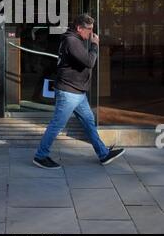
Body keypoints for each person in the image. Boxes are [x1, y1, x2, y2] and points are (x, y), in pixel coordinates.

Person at [33, 13, 125, 169]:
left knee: (89, 123)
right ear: (79, 28)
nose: (91, 33)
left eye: (92, 29)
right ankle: (41, 156)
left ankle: (103, 154)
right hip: (69, 92)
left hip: (78, 92)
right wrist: (95, 45)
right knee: (57, 124)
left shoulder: (75, 40)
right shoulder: (71, 41)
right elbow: (89, 62)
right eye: (88, 29)